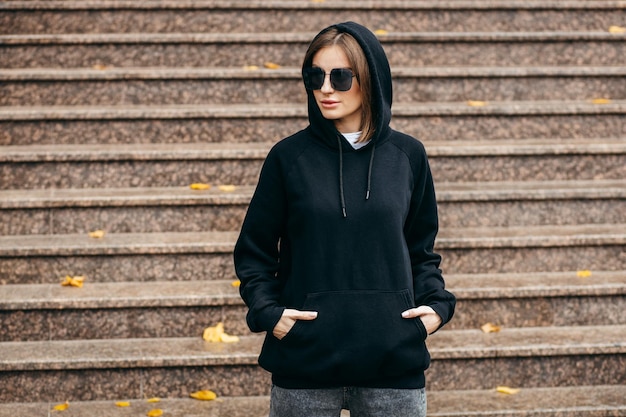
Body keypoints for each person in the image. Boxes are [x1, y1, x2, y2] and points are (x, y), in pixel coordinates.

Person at [234, 21, 456, 417]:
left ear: (370, 78)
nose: (325, 88)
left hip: (393, 365)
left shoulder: (408, 156)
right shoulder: (288, 159)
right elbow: (254, 252)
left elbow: (421, 248)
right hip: (304, 363)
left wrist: (436, 308)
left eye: (340, 76)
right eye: (315, 76)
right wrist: (270, 314)